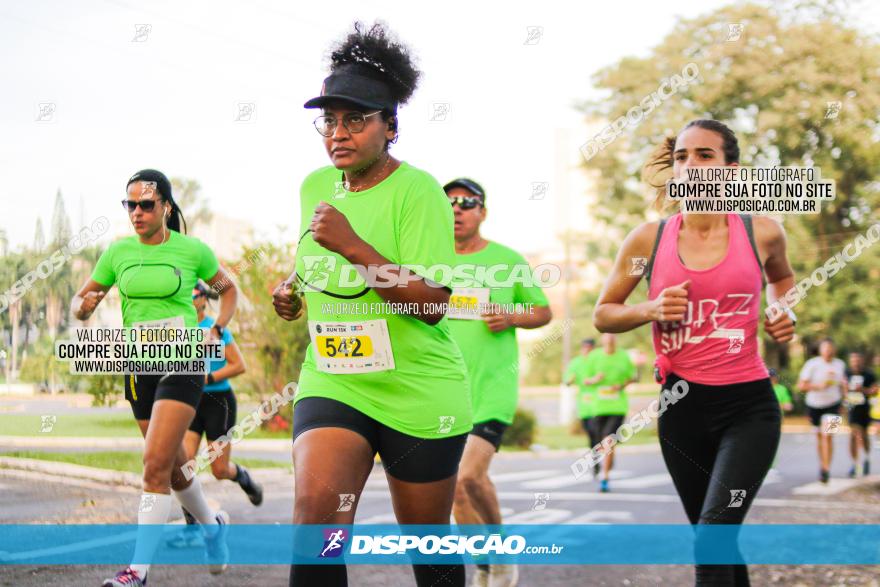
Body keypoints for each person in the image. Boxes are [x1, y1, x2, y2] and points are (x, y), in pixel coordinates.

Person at [271, 22, 471, 587]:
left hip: (418, 389)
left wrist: (354, 245)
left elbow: (432, 301)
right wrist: (294, 289)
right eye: (329, 121)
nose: (338, 133)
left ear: (390, 126)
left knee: (427, 552)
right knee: (317, 530)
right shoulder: (316, 185)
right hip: (336, 380)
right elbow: (317, 260)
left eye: (355, 119)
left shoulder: (419, 191)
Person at [593, 119, 796, 586]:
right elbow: (604, 314)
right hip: (681, 408)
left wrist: (783, 308)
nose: (691, 165)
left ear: (731, 169)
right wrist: (650, 307)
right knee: (717, 539)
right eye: (682, 156)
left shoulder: (761, 232)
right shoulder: (649, 240)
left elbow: (781, 279)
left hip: (749, 407)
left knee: (712, 537)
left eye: (705, 155)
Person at [71, 169, 238, 586]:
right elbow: (83, 298)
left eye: (146, 204)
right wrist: (82, 307)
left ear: (165, 206)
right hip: (138, 367)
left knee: (153, 466)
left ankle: (137, 571)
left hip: (183, 360)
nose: (137, 212)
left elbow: (228, 289)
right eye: (130, 205)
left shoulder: (192, 250)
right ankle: (213, 524)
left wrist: (216, 327)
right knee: (173, 465)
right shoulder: (118, 253)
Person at [443, 177, 552, 587]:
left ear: (482, 212)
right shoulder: (427, 261)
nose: (457, 209)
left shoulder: (507, 260)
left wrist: (510, 317)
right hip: (443, 390)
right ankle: (486, 565)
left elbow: (542, 313)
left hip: (492, 387)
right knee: (454, 490)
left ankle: (501, 551)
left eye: (467, 203)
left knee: (467, 476)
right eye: (449, 202)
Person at [168, 281, 262, 549]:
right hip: (191, 401)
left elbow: (239, 365)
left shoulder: (215, 329)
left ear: (202, 299)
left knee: (219, 470)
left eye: (193, 294)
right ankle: (192, 529)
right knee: (183, 467)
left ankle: (244, 479)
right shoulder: (180, 329)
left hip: (218, 401)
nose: (188, 298)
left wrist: (208, 377)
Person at [581, 333, 635, 493]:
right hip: (598, 407)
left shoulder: (623, 356)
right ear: (603, 341)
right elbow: (585, 380)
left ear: (615, 341)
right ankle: (607, 463)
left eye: (612, 339)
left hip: (617, 406)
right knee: (600, 443)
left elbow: (632, 377)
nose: (610, 342)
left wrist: (622, 385)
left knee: (608, 441)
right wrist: (595, 379)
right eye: (607, 339)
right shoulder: (594, 357)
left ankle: (605, 477)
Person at [797, 338, 846, 483]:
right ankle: (822, 465)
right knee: (819, 437)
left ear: (834, 350)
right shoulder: (812, 364)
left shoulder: (840, 365)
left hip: (834, 404)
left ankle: (826, 469)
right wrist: (819, 386)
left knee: (829, 435)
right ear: (820, 350)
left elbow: (843, 385)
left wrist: (844, 401)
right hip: (814, 405)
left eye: (830, 348)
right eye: (825, 348)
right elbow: (801, 386)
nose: (828, 351)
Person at [565, 338, 600, 476]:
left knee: (597, 431)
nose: (587, 351)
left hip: (599, 404)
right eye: (585, 348)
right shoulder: (576, 362)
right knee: (591, 434)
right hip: (584, 405)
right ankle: (596, 458)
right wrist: (569, 380)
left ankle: (603, 455)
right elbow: (567, 379)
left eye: (590, 348)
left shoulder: (599, 361)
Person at [843, 351, 877, 477]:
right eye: (853, 360)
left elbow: (874, 391)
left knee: (864, 435)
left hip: (865, 408)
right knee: (853, 435)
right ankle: (855, 464)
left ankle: (866, 458)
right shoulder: (846, 373)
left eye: (857, 360)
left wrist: (862, 390)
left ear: (861, 361)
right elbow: (842, 390)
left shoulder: (869, 374)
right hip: (852, 408)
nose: (855, 363)